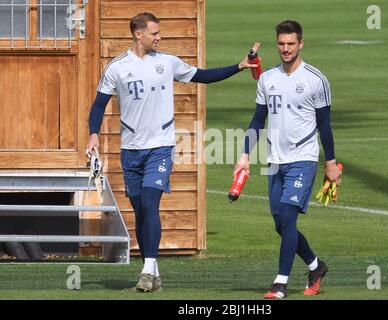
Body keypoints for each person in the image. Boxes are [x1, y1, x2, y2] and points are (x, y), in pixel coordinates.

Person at [87, 12, 259, 293]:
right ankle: (153, 272)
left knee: (150, 205)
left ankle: (145, 270)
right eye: (154, 33)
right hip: (130, 150)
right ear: (138, 34)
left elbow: (203, 76)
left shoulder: (168, 63)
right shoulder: (117, 68)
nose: (159, 37)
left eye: (159, 32)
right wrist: (93, 133)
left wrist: (239, 66)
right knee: (140, 212)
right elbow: (98, 105)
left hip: (161, 148)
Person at [234, 20, 341, 298]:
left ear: (300, 44)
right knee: (281, 225)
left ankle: (280, 283)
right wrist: (245, 155)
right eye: (281, 44)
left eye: (291, 44)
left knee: (289, 220)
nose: (285, 49)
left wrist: (330, 163)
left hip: (303, 159)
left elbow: (325, 126)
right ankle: (316, 266)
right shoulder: (268, 79)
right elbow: (258, 119)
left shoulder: (316, 80)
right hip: (274, 161)